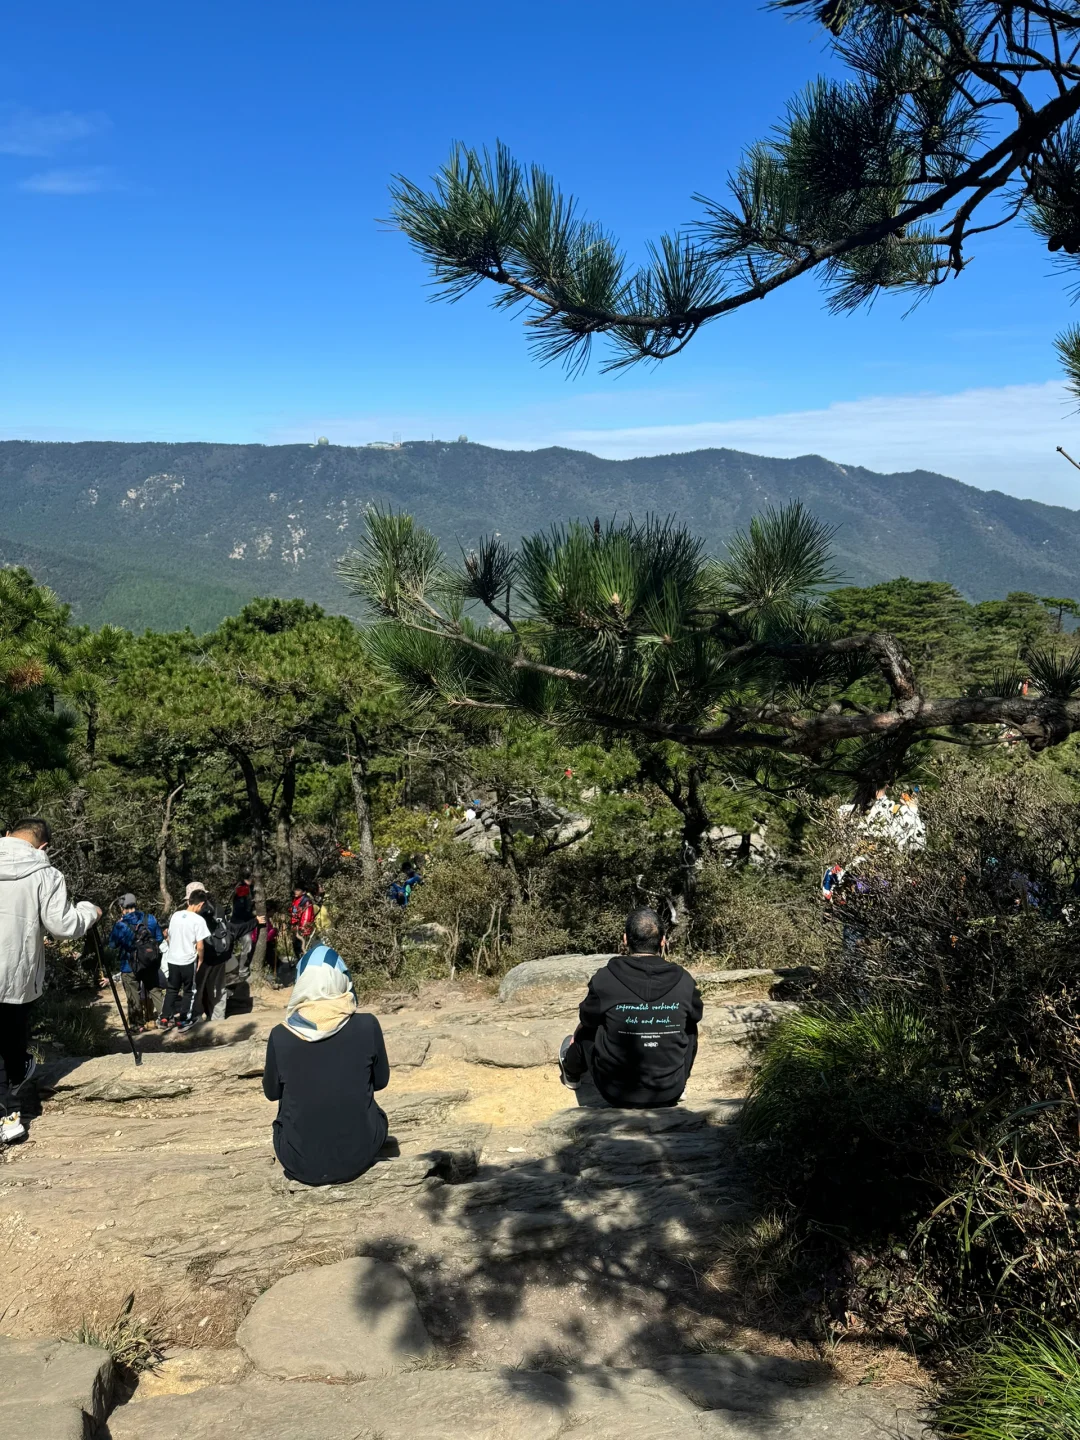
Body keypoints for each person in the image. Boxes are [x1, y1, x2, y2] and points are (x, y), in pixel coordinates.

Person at [262, 943, 390, 1186]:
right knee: (377, 1112)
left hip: (297, 1162)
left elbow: (272, 1093)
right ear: (343, 979)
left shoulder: (281, 1035)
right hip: (361, 1154)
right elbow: (380, 1082)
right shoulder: (367, 1025)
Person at [558, 907, 703, 1108]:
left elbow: (587, 1018)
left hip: (616, 1093)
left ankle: (571, 1071)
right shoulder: (684, 981)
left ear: (625, 939)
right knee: (690, 1026)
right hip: (670, 1090)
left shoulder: (606, 978)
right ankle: (678, 1080)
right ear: (663, 941)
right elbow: (697, 1014)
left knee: (590, 1027)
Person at [0, 817, 100, 1094]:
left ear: (8, 834)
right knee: (12, 1036)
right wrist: (90, 912)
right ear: (43, 847)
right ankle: (12, 1092)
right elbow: (63, 926)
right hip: (14, 976)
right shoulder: (47, 874)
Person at [108, 893, 165, 1030]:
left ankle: (137, 1025)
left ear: (122, 907)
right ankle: (165, 1018)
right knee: (155, 991)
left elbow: (112, 945)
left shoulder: (120, 925)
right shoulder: (149, 918)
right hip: (149, 963)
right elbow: (159, 938)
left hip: (129, 966)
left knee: (133, 994)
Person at [158, 888, 210, 1032]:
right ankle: (184, 1020)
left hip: (173, 959)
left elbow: (169, 936)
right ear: (200, 904)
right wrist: (200, 959)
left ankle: (164, 1018)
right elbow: (200, 945)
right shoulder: (198, 920)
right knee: (189, 991)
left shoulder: (175, 915)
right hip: (187, 960)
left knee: (172, 989)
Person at [288, 884, 315, 960]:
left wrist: (303, 928)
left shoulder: (306, 901)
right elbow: (294, 910)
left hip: (302, 929)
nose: (295, 891)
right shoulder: (296, 899)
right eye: (295, 889)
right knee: (296, 946)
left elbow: (307, 916)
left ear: (304, 892)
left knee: (302, 947)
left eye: (298, 890)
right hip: (296, 927)